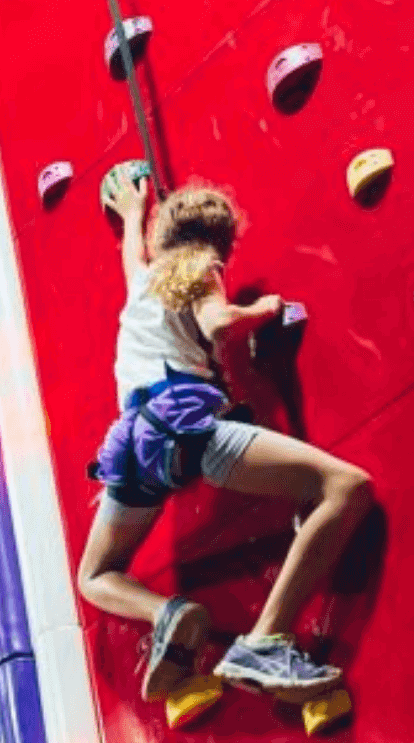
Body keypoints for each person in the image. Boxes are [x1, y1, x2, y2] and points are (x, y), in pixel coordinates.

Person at [77, 173, 373, 704]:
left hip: (132, 445)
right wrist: (264, 311)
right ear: (220, 245)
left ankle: (167, 613)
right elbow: (217, 326)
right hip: (185, 425)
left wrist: (130, 213)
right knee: (346, 488)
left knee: (95, 575)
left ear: (159, 238)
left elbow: (132, 254)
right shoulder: (200, 266)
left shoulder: (142, 280)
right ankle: (263, 641)